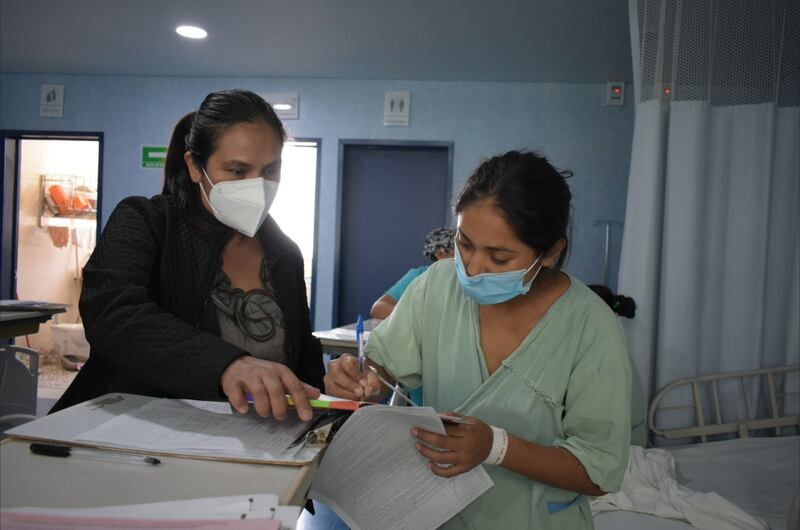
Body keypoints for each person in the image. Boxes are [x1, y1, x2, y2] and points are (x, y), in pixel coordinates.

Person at [325, 151, 633, 529]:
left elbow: (599, 472)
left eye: (499, 258)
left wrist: (496, 447)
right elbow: (383, 365)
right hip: (434, 515)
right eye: (465, 244)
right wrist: (362, 377)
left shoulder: (590, 327)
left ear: (551, 252)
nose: (472, 269)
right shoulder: (437, 286)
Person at [51, 89, 323, 423]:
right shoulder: (146, 221)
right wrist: (226, 364)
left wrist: (330, 390)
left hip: (254, 441)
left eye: (270, 170)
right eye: (237, 171)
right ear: (195, 166)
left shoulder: (285, 254)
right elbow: (113, 315)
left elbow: (303, 355)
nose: (258, 185)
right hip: (135, 431)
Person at [370, 226, 456, 320]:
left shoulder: (467, 278)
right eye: (459, 253)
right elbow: (379, 308)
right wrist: (419, 317)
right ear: (440, 254)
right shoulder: (419, 275)